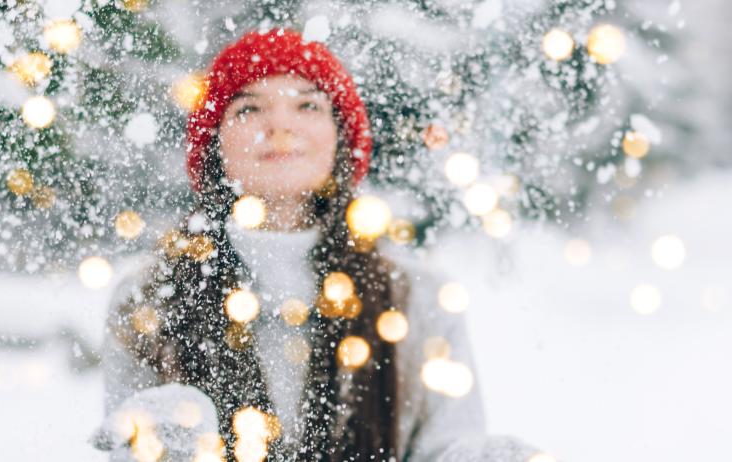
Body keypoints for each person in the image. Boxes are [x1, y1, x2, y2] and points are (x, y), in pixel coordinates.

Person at [93, 28, 542, 461]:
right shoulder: (150, 299)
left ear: (340, 139)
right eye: (249, 110)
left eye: (307, 106)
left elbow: (444, 446)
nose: (281, 126)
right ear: (213, 144)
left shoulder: (417, 299)